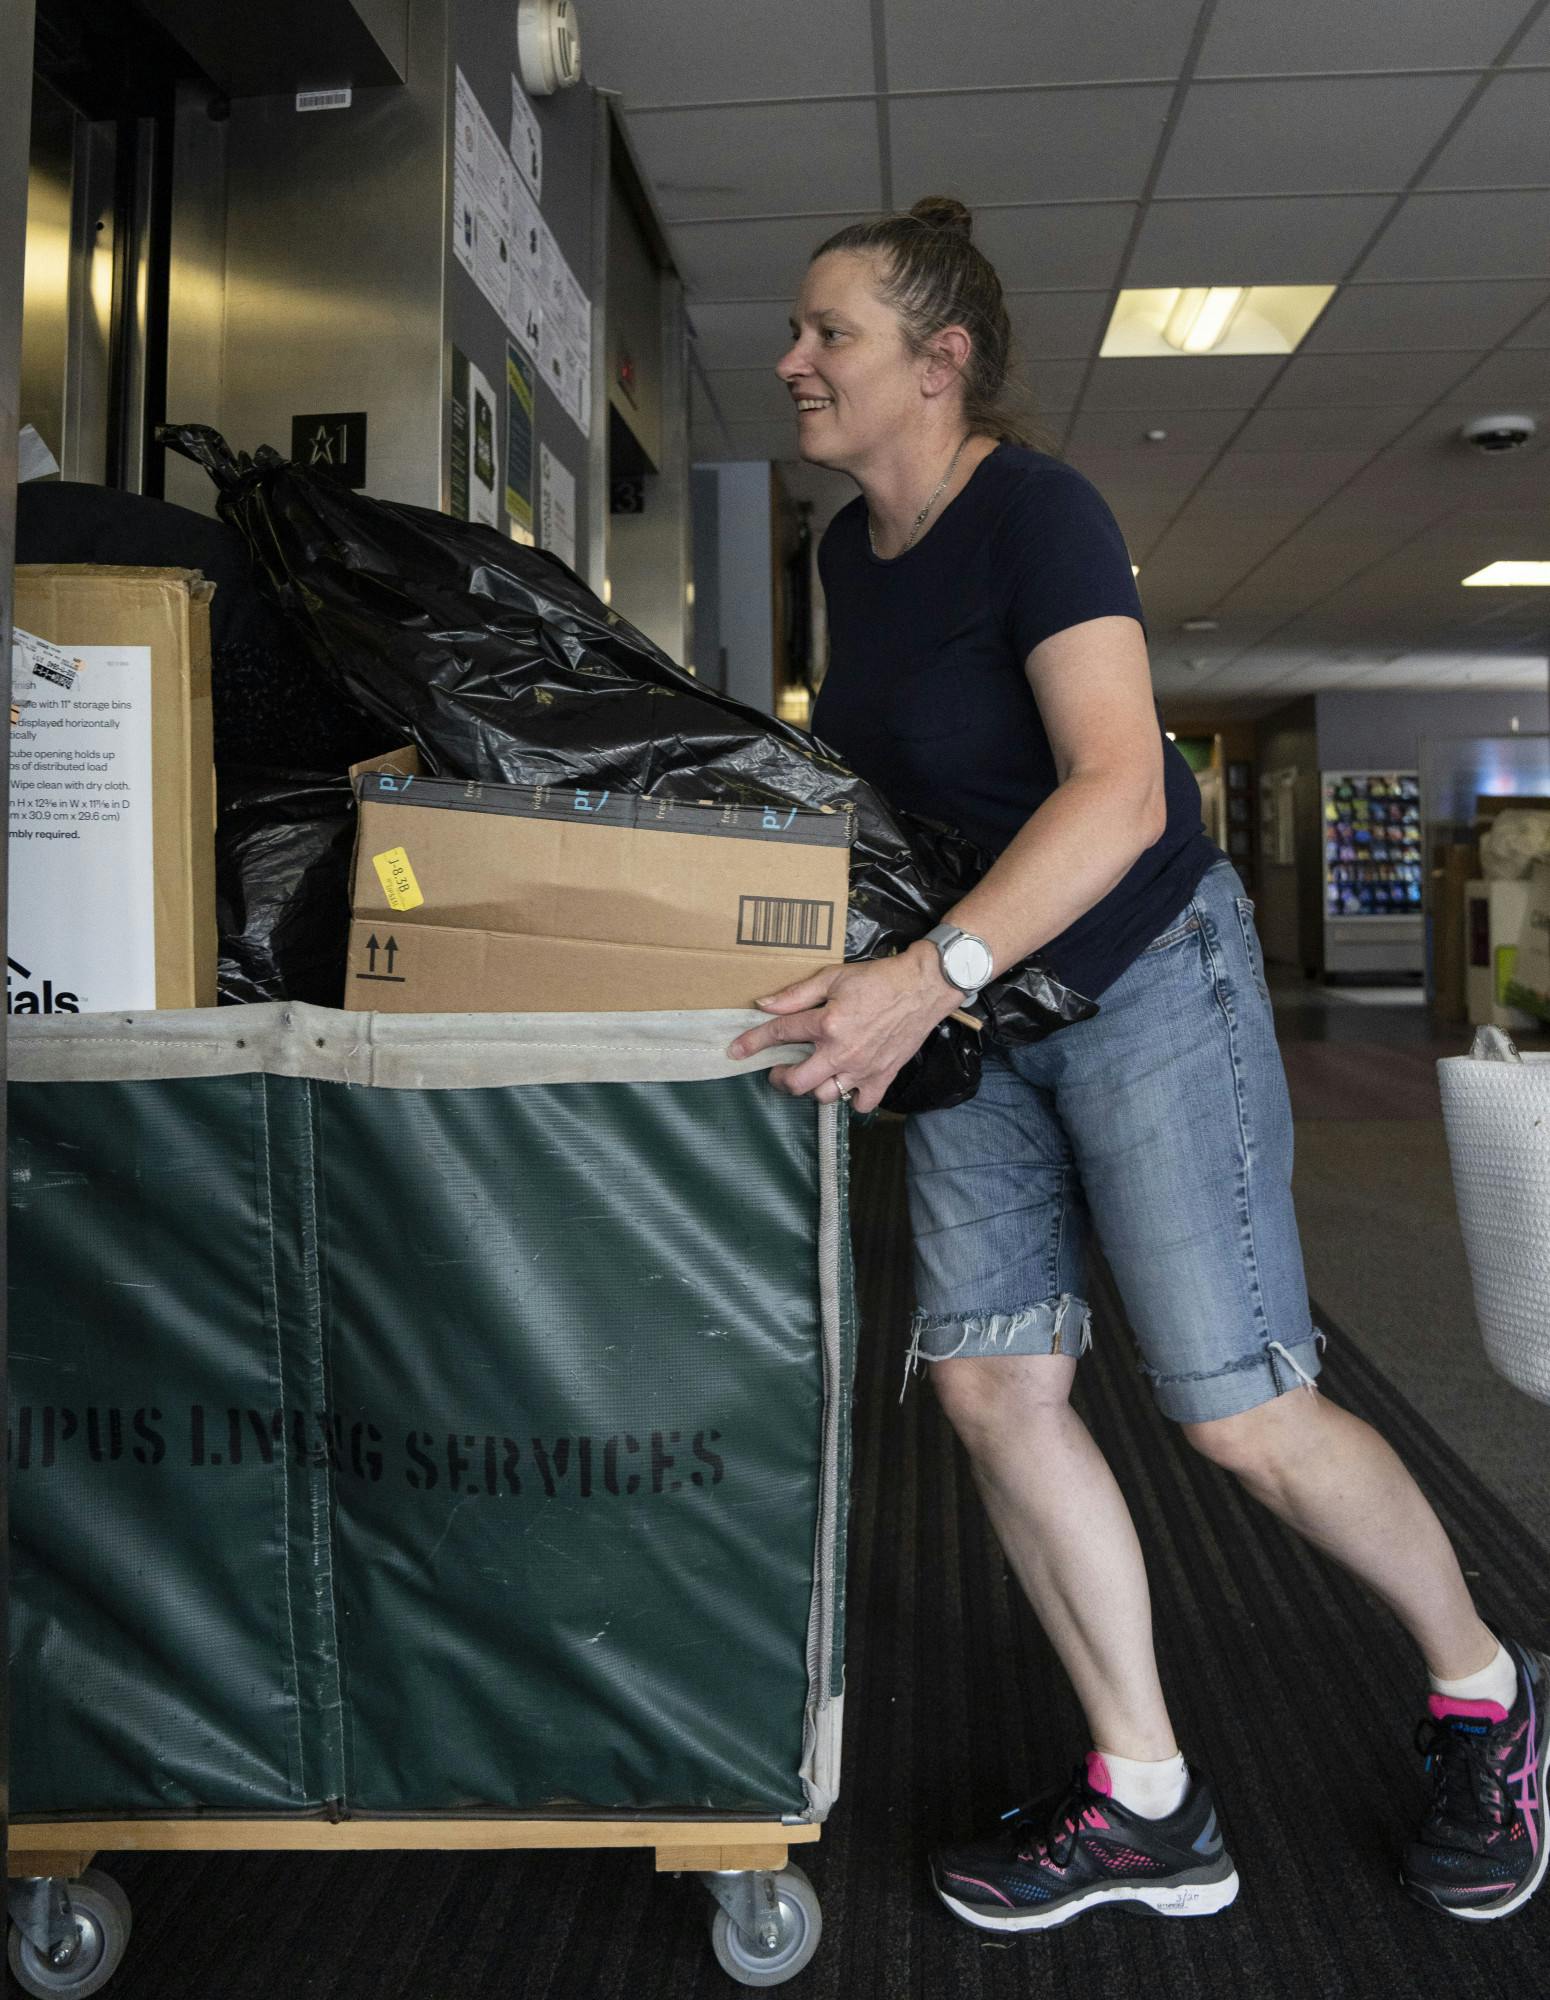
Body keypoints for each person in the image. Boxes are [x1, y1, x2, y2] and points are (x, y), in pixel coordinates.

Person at [725, 194, 1548, 1933]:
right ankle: (1146, 1798)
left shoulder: (1038, 515)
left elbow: (1114, 784)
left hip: (1138, 976)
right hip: (973, 1005)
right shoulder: (838, 555)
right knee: (990, 1386)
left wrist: (925, 973)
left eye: (829, 335)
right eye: (796, 335)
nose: (790, 361)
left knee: (1238, 1406)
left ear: (937, 366)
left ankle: (1485, 1686)